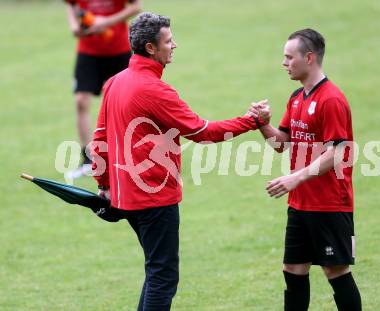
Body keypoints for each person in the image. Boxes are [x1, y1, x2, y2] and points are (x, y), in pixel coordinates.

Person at [91, 12, 268, 311]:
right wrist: (251, 121)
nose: (175, 45)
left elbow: (99, 139)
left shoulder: (115, 82)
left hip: (127, 197)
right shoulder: (155, 90)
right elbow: (204, 133)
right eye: (169, 41)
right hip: (153, 198)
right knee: (163, 276)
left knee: (155, 270)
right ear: (150, 48)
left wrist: (104, 185)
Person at [248, 28, 362, 310]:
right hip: (300, 203)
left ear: (309, 58)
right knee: (293, 269)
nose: (284, 63)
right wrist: (262, 123)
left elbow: (337, 152)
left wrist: (295, 178)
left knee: (335, 271)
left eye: (289, 57)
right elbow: (281, 143)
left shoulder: (331, 99)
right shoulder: (297, 97)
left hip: (330, 204)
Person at [64, 0, 142, 178]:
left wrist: (105, 22)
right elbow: (71, 4)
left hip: (119, 49)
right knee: (80, 102)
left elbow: (136, 6)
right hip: (88, 51)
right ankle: (88, 160)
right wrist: (74, 25)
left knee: (128, 103)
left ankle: (134, 156)